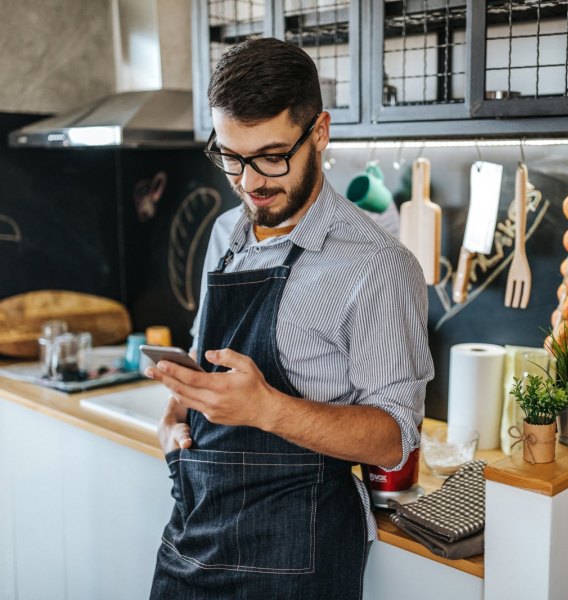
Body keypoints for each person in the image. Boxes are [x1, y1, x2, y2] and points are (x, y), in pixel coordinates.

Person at [146, 38, 433, 599]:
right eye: (232, 157)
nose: (250, 182)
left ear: (319, 133)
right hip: (191, 541)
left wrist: (268, 408)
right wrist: (177, 409)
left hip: (297, 564)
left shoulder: (378, 265)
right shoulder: (224, 235)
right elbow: (210, 358)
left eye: (273, 156)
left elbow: (395, 438)